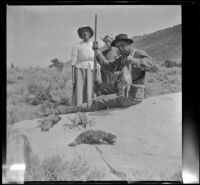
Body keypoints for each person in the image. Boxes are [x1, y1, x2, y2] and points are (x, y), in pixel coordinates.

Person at [58, 33, 159, 114]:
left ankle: (75, 109)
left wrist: (136, 61)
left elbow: (155, 66)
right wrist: (97, 52)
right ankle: (82, 102)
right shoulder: (122, 57)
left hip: (132, 95)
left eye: (122, 45)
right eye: (118, 47)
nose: (120, 48)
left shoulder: (138, 53)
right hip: (120, 88)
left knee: (100, 100)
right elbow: (107, 65)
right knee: (98, 86)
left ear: (129, 44)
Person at [71, 26, 101, 106]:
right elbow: (73, 61)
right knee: (80, 88)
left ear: (90, 34)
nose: (85, 33)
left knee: (92, 87)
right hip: (80, 68)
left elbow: (98, 57)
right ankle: (79, 106)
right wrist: (73, 76)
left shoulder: (94, 45)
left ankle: (91, 105)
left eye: (87, 31)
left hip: (92, 67)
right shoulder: (77, 45)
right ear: (81, 34)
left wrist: (97, 67)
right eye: (83, 32)